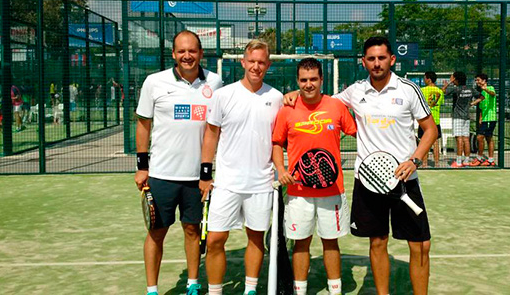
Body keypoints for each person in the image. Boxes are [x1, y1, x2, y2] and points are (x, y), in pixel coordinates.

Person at [284, 36, 437, 295]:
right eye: (371, 59)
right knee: (377, 242)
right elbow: (321, 101)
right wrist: (295, 95)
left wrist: (415, 160)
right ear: (364, 61)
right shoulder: (354, 91)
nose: (377, 63)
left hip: (404, 181)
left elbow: (430, 130)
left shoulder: (408, 89)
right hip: (369, 182)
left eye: (381, 58)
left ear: (392, 59)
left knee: (420, 245)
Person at [134, 30, 222, 295]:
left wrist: (206, 172)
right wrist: (142, 166)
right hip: (161, 174)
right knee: (156, 233)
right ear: (173, 54)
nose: (187, 56)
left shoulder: (215, 83)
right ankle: (152, 290)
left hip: (197, 177)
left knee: (192, 231)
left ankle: (193, 284)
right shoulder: (154, 82)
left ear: (200, 53)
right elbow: (143, 124)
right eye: (181, 51)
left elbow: (214, 128)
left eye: (192, 51)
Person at [200, 39, 283, 295]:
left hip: (261, 183)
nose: (256, 67)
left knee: (256, 238)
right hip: (227, 183)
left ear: (268, 65)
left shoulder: (277, 97)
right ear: (243, 62)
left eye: (261, 62)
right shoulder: (223, 95)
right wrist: (205, 174)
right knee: (215, 240)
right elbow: (211, 135)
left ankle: (250, 289)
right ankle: (215, 291)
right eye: (252, 61)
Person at [271, 58, 357, 295]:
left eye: (313, 79)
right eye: (303, 80)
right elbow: (277, 142)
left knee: (331, 242)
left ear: (321, 80)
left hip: (332, 190)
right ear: (297, 81)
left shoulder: (336, 107)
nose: (308, 84)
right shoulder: (286, 109)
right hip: (299, 191)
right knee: (301, 243)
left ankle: (335, 290)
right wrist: (281, 169)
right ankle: (300, 291)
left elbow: (359, 130)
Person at [442, 71, 475, 168]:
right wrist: (472, 103)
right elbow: (482, 97)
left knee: (459, 139)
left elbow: (443, 90)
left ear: (456, 79)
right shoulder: (470, 89)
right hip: (466, 117)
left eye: (452, 78)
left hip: (457, 117)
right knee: (466, 139)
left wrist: (448, 83)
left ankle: (459, 162)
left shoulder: (456, 89)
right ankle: (467, 161)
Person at [469, 73, 497, 167]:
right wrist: (480, 117)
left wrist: (486, 89)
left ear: (484, 81)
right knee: (488, 138)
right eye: (476, 80)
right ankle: (490, 160)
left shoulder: (490, 88)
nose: (477, 82)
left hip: (490, 118)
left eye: (478, 80)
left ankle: (480, 158)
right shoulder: (481, 93)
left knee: (480, 137)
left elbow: (493, 94)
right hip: (484, 119)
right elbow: (481, 107)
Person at [420, 71, 444, 167]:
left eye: (425, 78)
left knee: (423, 142)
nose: (424, 80)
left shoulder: (422, 90)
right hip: (436, 120)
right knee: (436, 143)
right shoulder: (440, 92)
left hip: (424, 121)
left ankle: (424, 164)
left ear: (428, 79)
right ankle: (437, 163)